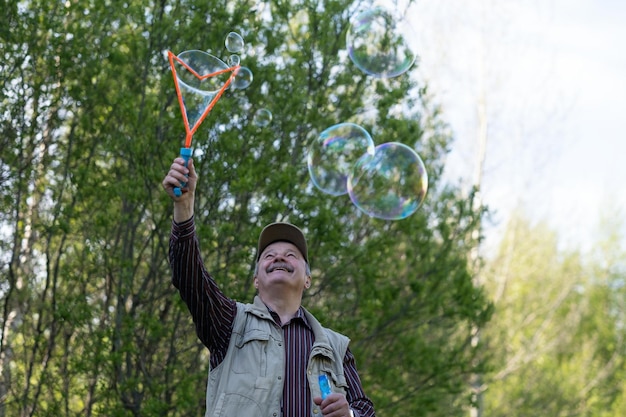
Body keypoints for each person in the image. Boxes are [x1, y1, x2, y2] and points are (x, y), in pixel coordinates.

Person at [162, 156, 376, 417]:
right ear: (256, 280)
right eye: (269, 254)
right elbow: (191, 278)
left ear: (307, 280)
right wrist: (184, 208)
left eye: (291, 255)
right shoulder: (229, 323)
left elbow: (365, 409)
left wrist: (350, 414)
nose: (279, 257)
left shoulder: (336, 346)